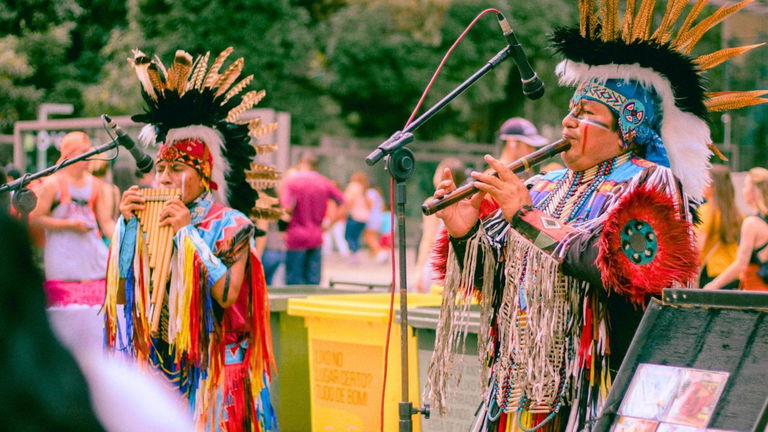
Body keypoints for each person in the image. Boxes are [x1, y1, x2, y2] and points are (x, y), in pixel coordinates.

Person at [423, 1, 766, 430]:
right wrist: (465, 233)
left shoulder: (653, 183)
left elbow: (624, 268)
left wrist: (527, 218)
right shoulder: (542, 185)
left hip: (597, 391)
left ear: (628, 129)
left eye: (586, 115)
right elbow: (496, 278)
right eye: (571, 110)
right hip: (518, 391)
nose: (567, 122)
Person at [103, 47, 278, 431]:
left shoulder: (231, 223)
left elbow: (227, 294)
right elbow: (120, 296)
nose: (164, 178)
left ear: (205, 175)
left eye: (178, 168)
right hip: (164, 360)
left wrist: (187, 234)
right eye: (161, 168)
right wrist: (126, 230)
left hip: (217, 364)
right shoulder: (149, 216)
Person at [29, 131, 115, 353]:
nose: (88, 156)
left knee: (94, 313)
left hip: (91, 258)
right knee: (64, 315)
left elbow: (105, 222)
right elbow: (37, 218)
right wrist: (70, 225)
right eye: (83, 152)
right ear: (71, 153)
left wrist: (122, 238)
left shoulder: (97, 185)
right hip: (62, 257)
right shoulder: (52, 184)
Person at [280, 151, 345, 284]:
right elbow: (344, 203)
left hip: (296, 236)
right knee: (313, 281)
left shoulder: (291, 182)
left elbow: (285, 207)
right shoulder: (324, 182)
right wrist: (330, 224)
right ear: (316, 166)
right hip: (316, 235)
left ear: (301, 163)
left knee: (294, 282)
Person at [704, 167, 768, 291]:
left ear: (754, 191)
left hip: (755, 293)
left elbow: (741, 263)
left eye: (745, 186)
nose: (743, 190)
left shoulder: (752, 223)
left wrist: (712, 286)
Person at [412, 158, 466, 293]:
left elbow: (429, 239)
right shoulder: (464, 202)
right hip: (455, 263)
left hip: (435, 263)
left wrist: (419, 270)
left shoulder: (433, 203)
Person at [696, 165, 742, 289]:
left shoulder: (706, 212)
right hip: (732, 276)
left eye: (705, 180)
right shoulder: (737, 214)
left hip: (711, 276)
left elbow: (698, 248)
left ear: (714, 186)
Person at [342, 171, 370, 257]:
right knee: (356, 237)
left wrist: (343, 210)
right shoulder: (364, 188)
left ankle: (354, 252)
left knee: (348, 236)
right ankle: (356, 252)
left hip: (354, 215)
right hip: (364, 216)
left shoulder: (353, 186)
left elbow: (349, 200)